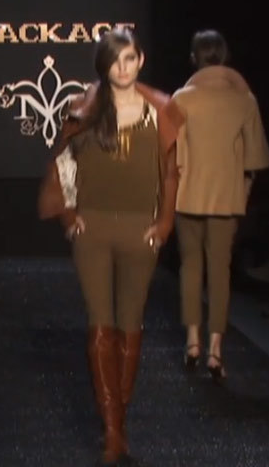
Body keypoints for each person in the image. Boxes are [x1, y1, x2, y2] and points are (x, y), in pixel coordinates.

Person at [37, 27, 178, 466]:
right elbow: (64, 164)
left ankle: (119, 420)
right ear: (104, 66)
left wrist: (165, 223)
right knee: (100, 324)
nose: (123, 67)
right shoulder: (84, 109)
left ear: (141, 60)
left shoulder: (161, 110)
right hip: (94, 229)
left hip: (141, 230)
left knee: (131, 324)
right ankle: (114, 433)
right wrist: (68, 216)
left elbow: (172, 172)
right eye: (115, 60)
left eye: (130, 58)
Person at [167, 29, 269, 382]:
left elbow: (169, 151)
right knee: (220, 271)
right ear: (225, 57)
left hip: (188, 194)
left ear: (194, 58)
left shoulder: (182, 98)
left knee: (190, 267)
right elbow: (255, 159)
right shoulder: (244, 100)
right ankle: (215, 349)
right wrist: (242, 191)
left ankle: (192, 342)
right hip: (227, 198)